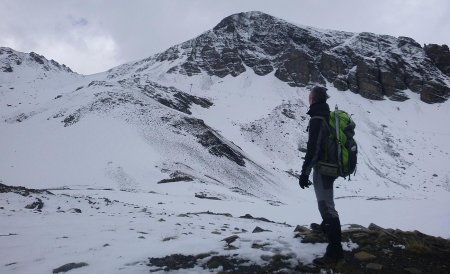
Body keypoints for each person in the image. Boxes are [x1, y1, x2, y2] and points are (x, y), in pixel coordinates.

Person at [299, 86, 344, 266]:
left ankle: (335, 251)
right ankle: (326, 227)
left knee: (326, 206)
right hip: (329, 166)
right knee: (326, 203)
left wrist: (304, 172)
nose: (308, 99)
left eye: (309, 97)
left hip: (324, 169)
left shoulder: (318, 118)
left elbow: (314, 148)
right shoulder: (325, 114)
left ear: (313, 99)